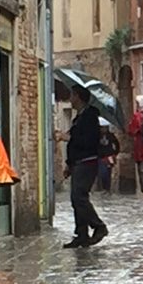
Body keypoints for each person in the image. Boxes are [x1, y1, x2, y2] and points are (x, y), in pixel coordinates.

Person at [63, 85, 109, 248]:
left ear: (78, 96)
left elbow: (87, 142)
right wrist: (69, 164)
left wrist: (68, 138)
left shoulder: (89, 117)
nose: (70, 99)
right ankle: (81, 234)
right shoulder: (79, 118)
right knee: (76, 198)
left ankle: (99, 226)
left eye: (72, 95)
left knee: (79, 196)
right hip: (78, 162)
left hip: (87, 161)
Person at [96, 121, 120, 192]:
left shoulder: (111, 136)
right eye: (102, 128)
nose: (103, 129)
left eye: (105, 128)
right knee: (102, 172)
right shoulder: (97, 136)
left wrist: (115, 153)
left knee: (108, 173)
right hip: (100, 157)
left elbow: (117, 144)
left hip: (109, 157)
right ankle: (102, 188)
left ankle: (107, 188)